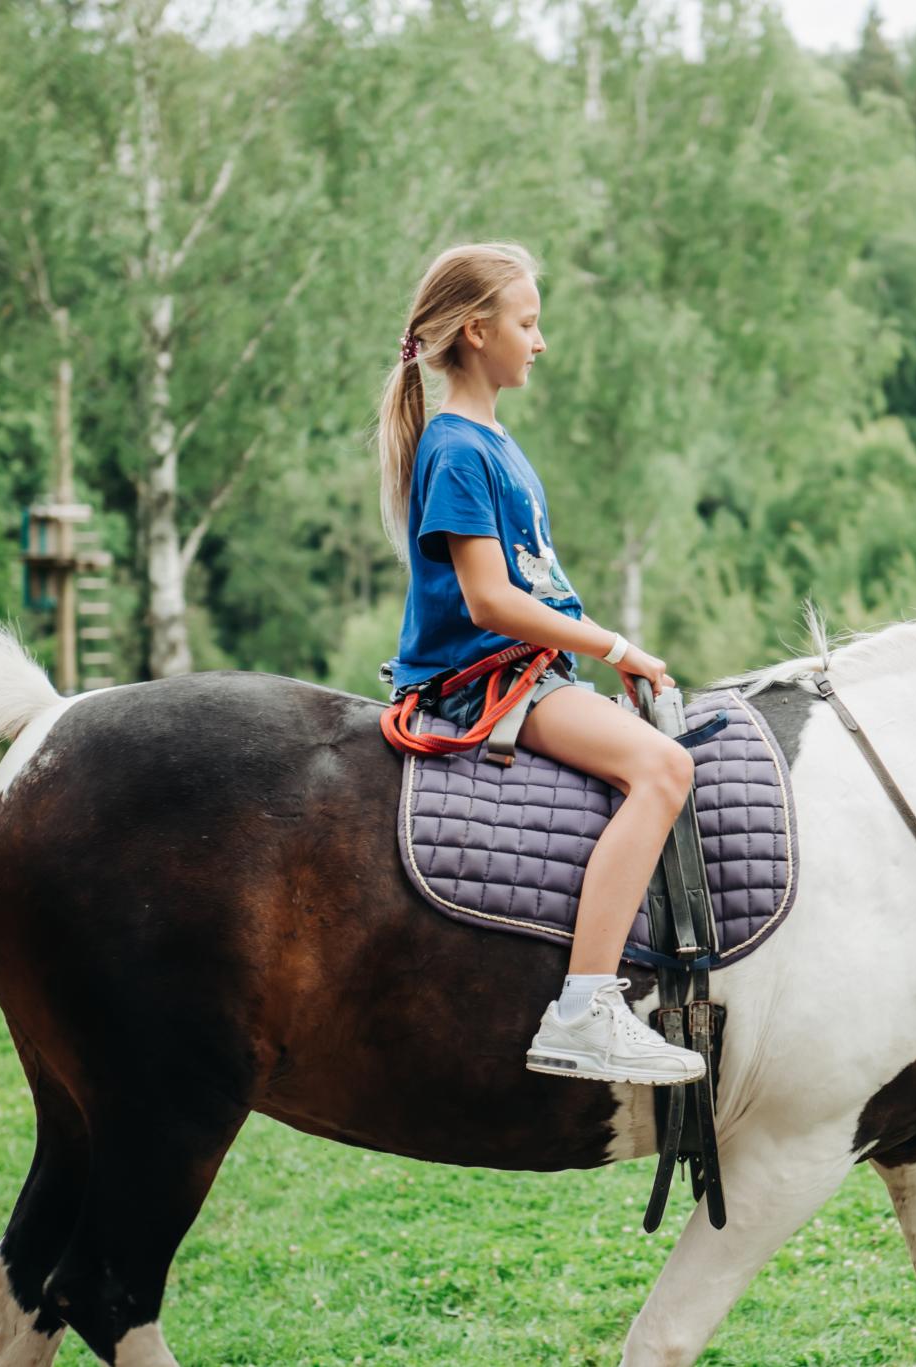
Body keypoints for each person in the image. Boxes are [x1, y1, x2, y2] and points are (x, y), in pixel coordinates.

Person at [375, 242, 704, 1087]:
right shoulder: (456, 449)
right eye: (528, 323)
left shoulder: (493, 442)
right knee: (663, 769)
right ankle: (585, 1008)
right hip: (487, 675)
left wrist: (598, 649)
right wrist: (616, 645)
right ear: (478, 331)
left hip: (535, 667)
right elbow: (490, 601)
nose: (540, 341)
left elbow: (539, 591)